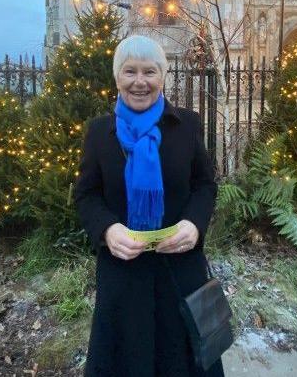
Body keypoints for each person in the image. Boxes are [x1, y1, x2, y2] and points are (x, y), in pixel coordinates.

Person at [74, 35, 224, 377]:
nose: (139, 82)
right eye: (130, 71)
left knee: (182, 360)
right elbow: (87, 194)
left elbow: (205, 185)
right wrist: (108, 230)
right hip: (122, 274)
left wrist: (194, 224)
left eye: (149, 71)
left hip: (180, 270)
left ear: (163, 75)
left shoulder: (186, 125)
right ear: (117, 77)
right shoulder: (100, 133)